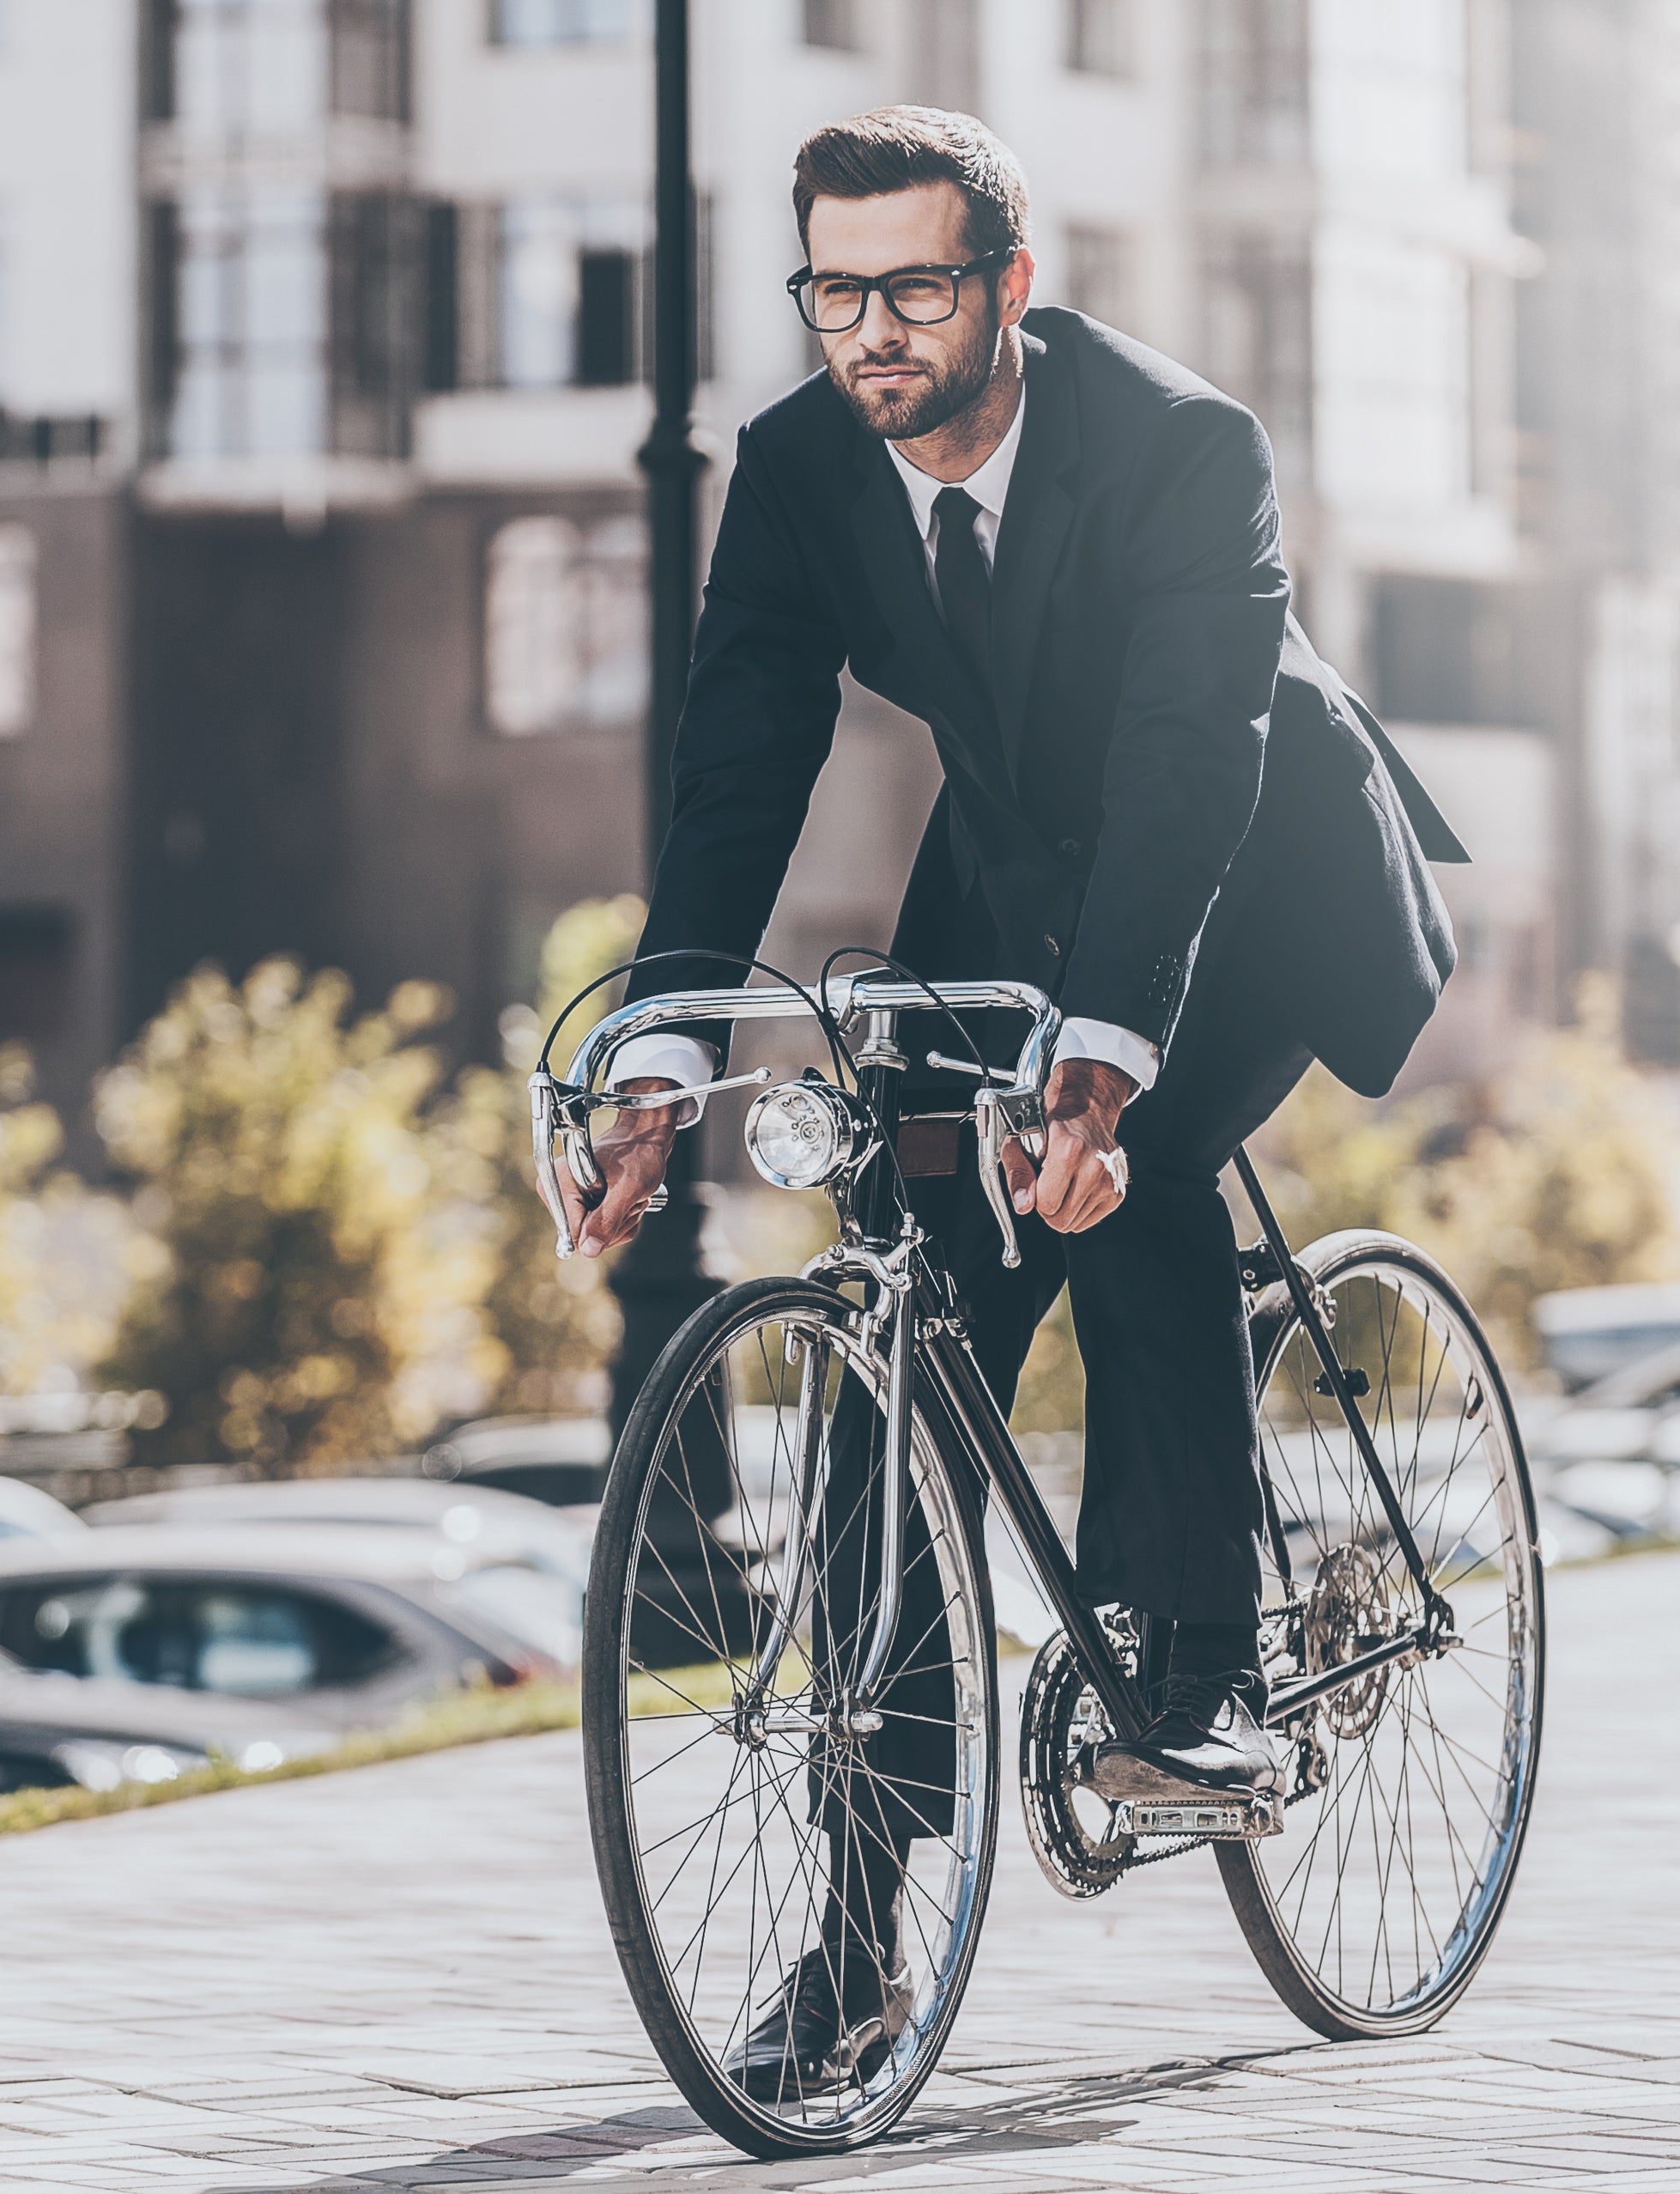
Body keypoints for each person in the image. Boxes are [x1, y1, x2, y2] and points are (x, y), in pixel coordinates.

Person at [543, 106, 1464, 2092]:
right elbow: (738, 768)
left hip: (1245, 866)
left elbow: (1186, 750)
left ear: (1008, 289)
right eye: (834, 288)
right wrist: (661, 1055)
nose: (871, 329)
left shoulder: (1180, 444)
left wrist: (1101, 1057)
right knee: (910, 1298)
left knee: (1115, 1176)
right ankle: (861, 1932)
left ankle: (1199, 1685)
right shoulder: (795, 473)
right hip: (1013, 867)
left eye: (916, 286)